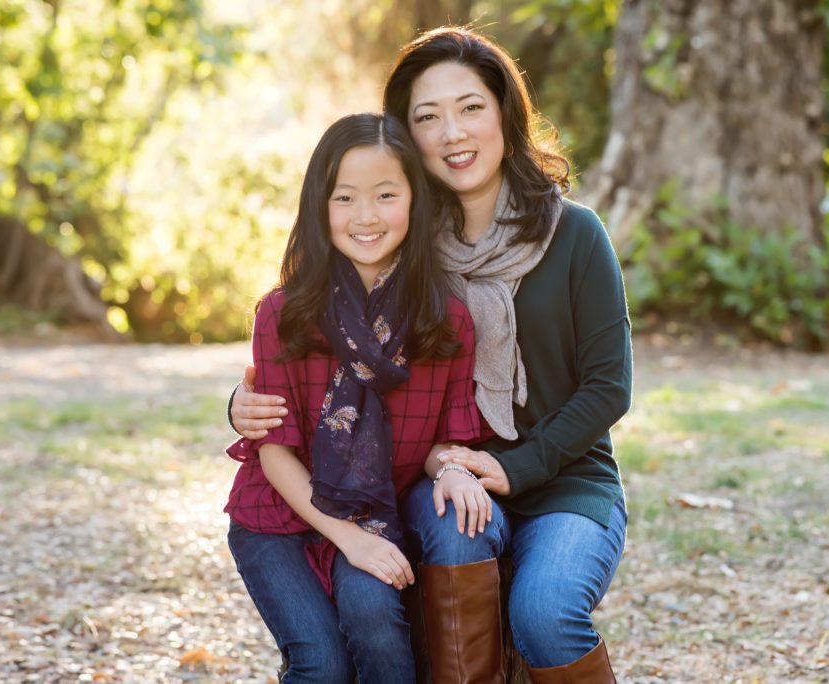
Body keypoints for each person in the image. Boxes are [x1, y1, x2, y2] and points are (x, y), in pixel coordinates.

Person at [230, 27, 633, 683]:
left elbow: (609, 388)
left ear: (505, 112)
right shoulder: (401, 240)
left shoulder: (576, 234)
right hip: (432, 472)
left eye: (470, 107)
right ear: (405, 136)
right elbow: (317, 344)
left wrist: (515, 467)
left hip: (564, 479)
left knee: (546, 613)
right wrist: (241, 404)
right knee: (450, 526)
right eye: (427, 116)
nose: (453, 133)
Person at [224, 112, 493, 684]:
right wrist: (348, 540)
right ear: (320, 207)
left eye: (386, 195)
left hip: (375, 510)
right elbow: (274, 453)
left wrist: (451, 469)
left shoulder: (445, 321)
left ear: (415, 202)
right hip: (278, 518)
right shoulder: (284, 314)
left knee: (374, 615)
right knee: (322, 665)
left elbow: (443, 437)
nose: (365, 217)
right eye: (345, 198)